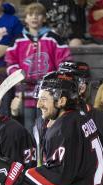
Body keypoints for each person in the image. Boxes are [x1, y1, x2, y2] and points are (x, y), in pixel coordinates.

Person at [5, 2, 71, 130]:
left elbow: (64, 61)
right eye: (30, 14)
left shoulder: (54, 38)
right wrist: (19, 76)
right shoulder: (17, 40)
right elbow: (10, 63)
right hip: (25, 92)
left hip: (48, 91)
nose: (34, 17)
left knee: (48, 126)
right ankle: (32, 150)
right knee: (29, 127)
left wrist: (55, 80)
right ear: (25, 19)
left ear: (44, 18)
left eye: (38, 15)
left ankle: (46, 150)